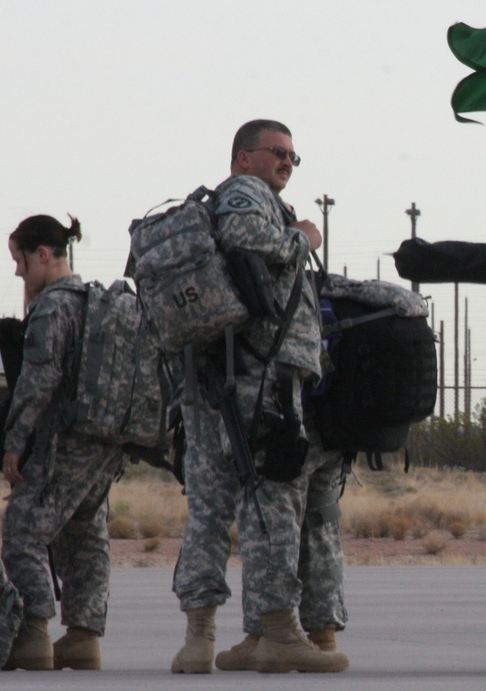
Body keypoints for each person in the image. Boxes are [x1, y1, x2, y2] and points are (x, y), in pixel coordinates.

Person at [171, 119, 349, 674]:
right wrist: (304, 237)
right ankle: (277, 633)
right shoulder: (247, 195)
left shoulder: (217, 205)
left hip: (214, 379)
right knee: (271, 501)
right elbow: (250, 239)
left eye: (295, 156)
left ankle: (199, 641)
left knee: (207, 509)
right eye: (278, 152)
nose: (288, 163)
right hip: (258, 378)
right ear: (242, 158)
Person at [1, 214, 124, 671]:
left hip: (66, 439)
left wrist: (15, 442)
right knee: (86, 533)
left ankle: (33, 632)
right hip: (107, 441)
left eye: (19, 260)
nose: (18, 272)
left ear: (43, 254)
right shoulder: (95, 302)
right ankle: (83, 637)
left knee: (22, 529)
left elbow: (39, 380)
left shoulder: (54, 308)